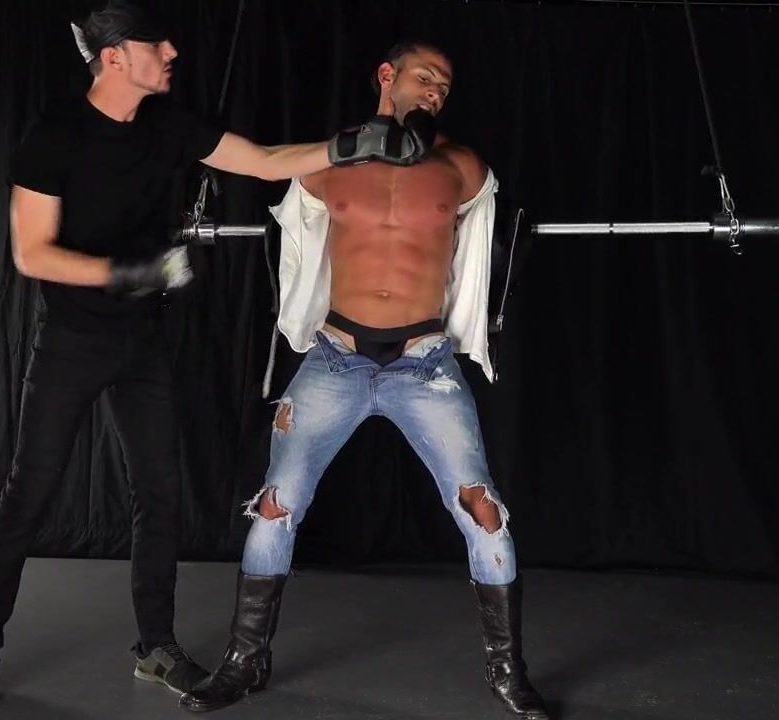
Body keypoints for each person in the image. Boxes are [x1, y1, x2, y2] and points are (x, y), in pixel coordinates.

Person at [0, 1, 412, 714]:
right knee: (27, 496)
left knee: (160, 497)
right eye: (155, 44)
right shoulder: (54, 135)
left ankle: (155, 647)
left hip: (144, 344)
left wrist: (351, 145)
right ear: (114, 57)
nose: (172, 52)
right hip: (72, 342)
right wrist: (124, 273)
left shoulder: (170, 124)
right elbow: (31, 252)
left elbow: (262, 161)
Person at [179, 40, 550, 719]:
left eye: (445, 85)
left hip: (425, 366)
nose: (435, 91)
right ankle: (244, 660)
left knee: (484, 510)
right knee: (275, 504)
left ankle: (508, 670)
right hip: (336, 360)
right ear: (387, 76)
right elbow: (277, 197)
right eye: (424, 77)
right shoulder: (327, 163)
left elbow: (489, 250)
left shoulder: (463, 169)